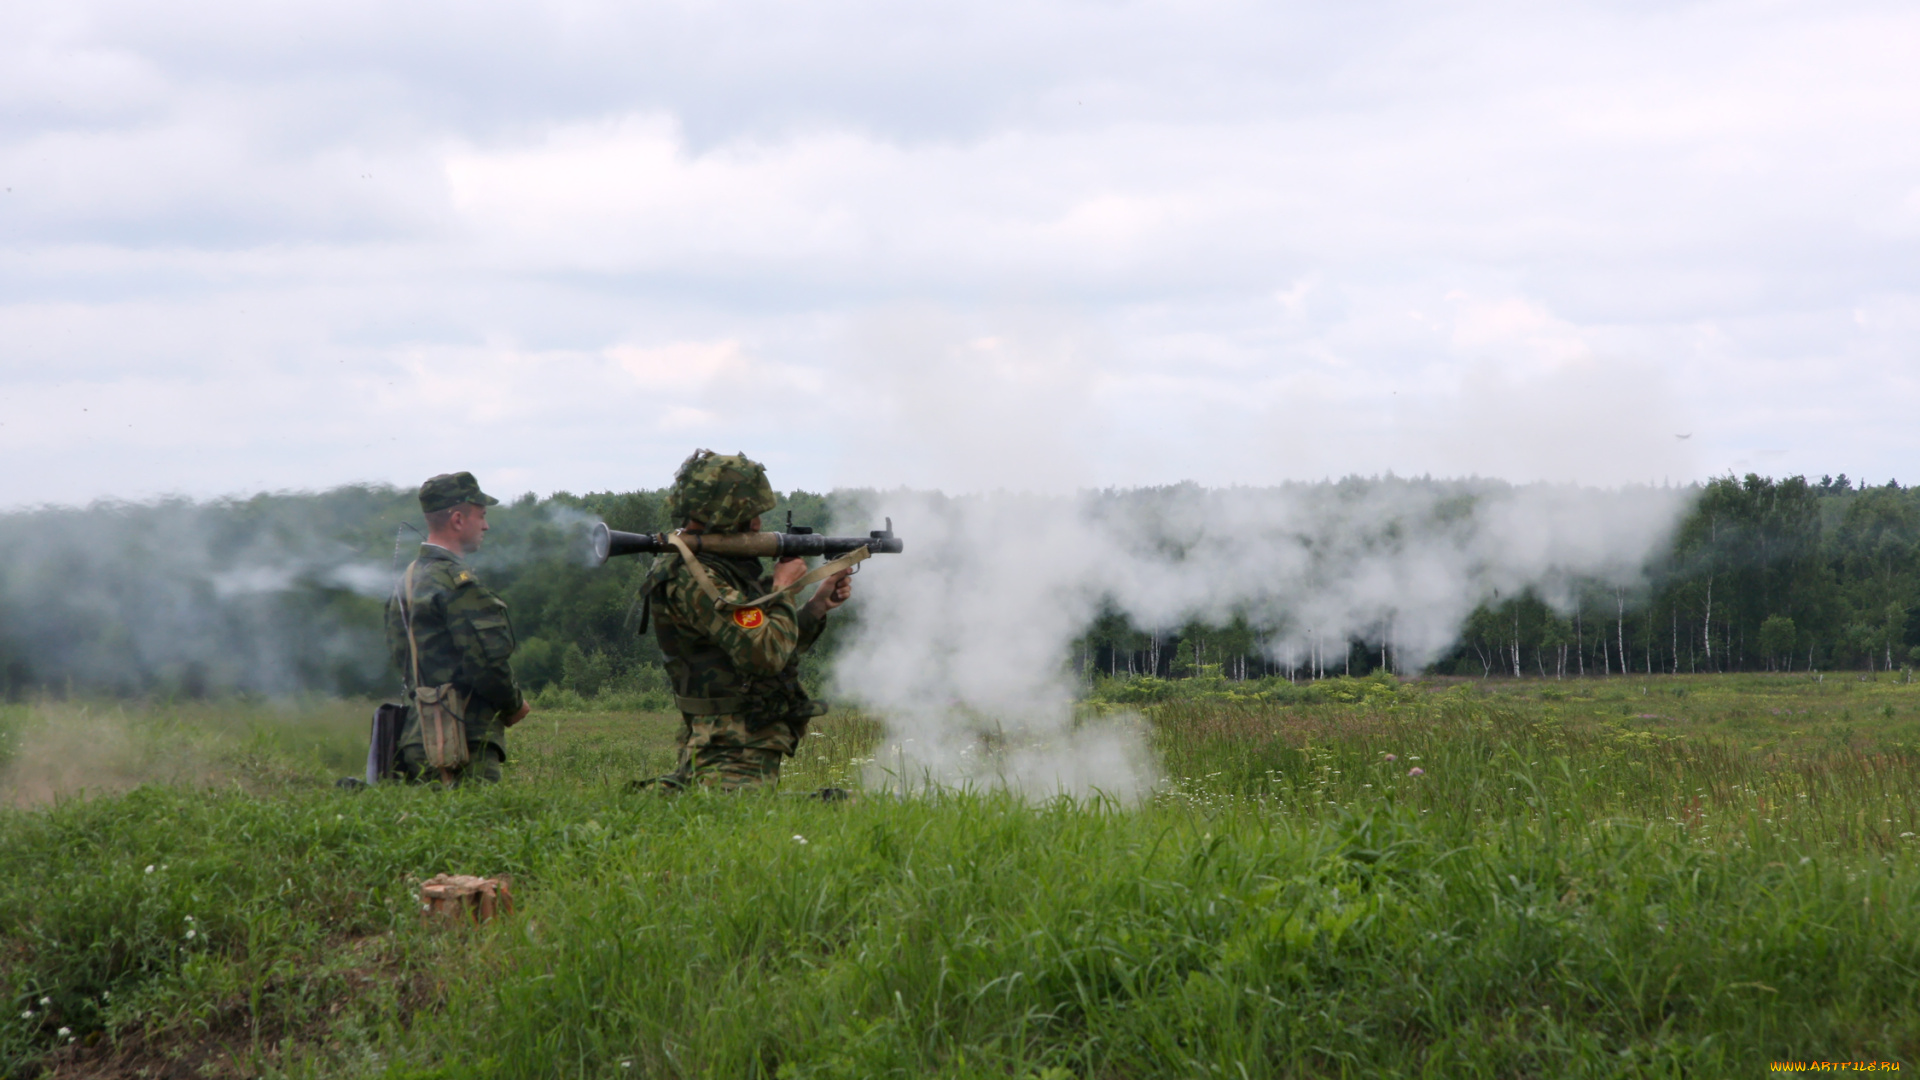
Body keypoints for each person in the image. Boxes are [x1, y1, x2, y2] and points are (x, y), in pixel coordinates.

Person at [637, 450, 853, 791]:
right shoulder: (696, 575)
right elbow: (764, 655)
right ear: (726, 512)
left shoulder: (710, 568)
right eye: (751, 514)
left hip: (739, 744)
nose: (757, 525)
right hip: (729, 750)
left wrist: (815, 609)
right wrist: (783, 588)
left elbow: (767, 643)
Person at [385, 471, 530, 784]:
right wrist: (513, 704)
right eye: (482, 515)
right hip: (464, 740)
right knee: (481, 828)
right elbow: (487, 662)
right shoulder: (456, 583)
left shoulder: (406, 581)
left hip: (416, 736)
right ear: (458, 520)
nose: (486, 525)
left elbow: (402, 658)